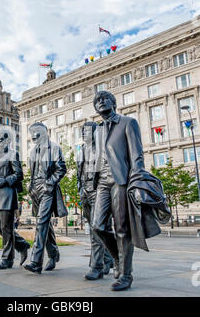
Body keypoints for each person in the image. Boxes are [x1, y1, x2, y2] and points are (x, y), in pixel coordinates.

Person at [92, 90, 145, 291]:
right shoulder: (97, 130)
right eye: (97, 101)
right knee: (97, 226)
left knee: (122, 229)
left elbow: (137, 155)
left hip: (121, 180)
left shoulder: (127, 122)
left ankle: (126, 274)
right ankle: (117, 258)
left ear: (113, 103)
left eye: (105, 99)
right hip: (102, 182)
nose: (101, 102)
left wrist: (137, 181)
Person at [24, 122, 68, 274]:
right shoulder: (33, 151)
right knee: (45, 223)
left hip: (48, 189)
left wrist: (49, 183)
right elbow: (32, 172)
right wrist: (30, 187)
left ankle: (36, 262)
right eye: (31, 132)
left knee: (41, 223)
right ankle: (54, 253)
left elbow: (61, 169)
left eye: (35, 132)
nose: (32, 135)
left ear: (43, 132)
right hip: (35, 190)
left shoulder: (54, 148)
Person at [0, 126, 30, 270]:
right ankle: (22, 245)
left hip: (6, 195)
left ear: (9, 140)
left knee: (6, 228)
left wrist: (6, 180)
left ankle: (7, 259)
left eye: (4, 136)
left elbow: (19, 174)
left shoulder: (12, 154)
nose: (0, 138)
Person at [77, 121, 114, 280]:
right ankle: (108, 259)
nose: (83, 134)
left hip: (99, 192)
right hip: (85, 193)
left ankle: (96, 266)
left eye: (86, 131)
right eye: (82, 131)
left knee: (95, 229)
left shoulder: (103, 149)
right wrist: (80, 189)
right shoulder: (81, 151)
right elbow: (79, 173)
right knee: (100, 229)